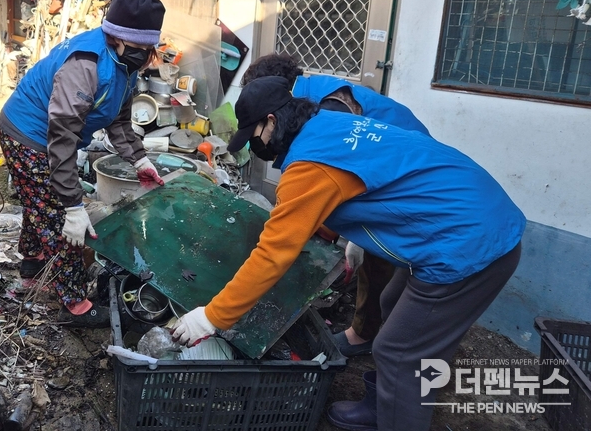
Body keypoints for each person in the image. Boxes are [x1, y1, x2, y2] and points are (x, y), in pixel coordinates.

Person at [171, 76, 524, 431]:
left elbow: (273, 254)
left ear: (272, 121)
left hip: (471, 241)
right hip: (475, 211)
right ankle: (385, 405)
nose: (256, 145)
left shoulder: (309, 164)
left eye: (254, 135)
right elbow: (349, 190)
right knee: (393, 305)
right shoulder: (327, 123)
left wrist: (212, 317)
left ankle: (398, 411)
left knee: (399, 353)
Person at [0, 0, 166, 327]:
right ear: (115, 36)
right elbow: (61, 139)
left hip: (50, 136)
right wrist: (73, 207)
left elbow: (118, 118)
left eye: (148, 49)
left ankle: (31, 264)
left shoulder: (126, 64)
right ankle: (74, 305)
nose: (143, 56)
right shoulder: (86, 65)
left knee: (40, 202)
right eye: (137, 47)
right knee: (61, 220)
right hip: (29, 135)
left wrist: (139, 160)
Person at [240, 53, 429, 357]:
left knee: (380, 261)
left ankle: (373, 337)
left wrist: (355, 235)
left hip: (406, 177)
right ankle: (372, 331)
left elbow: (335, 176)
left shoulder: (330, 108)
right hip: (385, 170)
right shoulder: (305, 96)